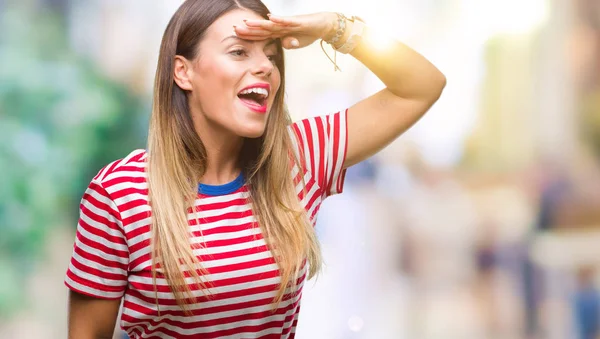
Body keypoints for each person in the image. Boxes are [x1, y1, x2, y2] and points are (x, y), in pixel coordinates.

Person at [64, 0, 446, 338]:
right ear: (184, 72)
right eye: (239, 52)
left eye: (270, 54)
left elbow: (420, 86)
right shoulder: (120, 192)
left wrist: (335, 27)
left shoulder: (300, 160)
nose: (265, 66)